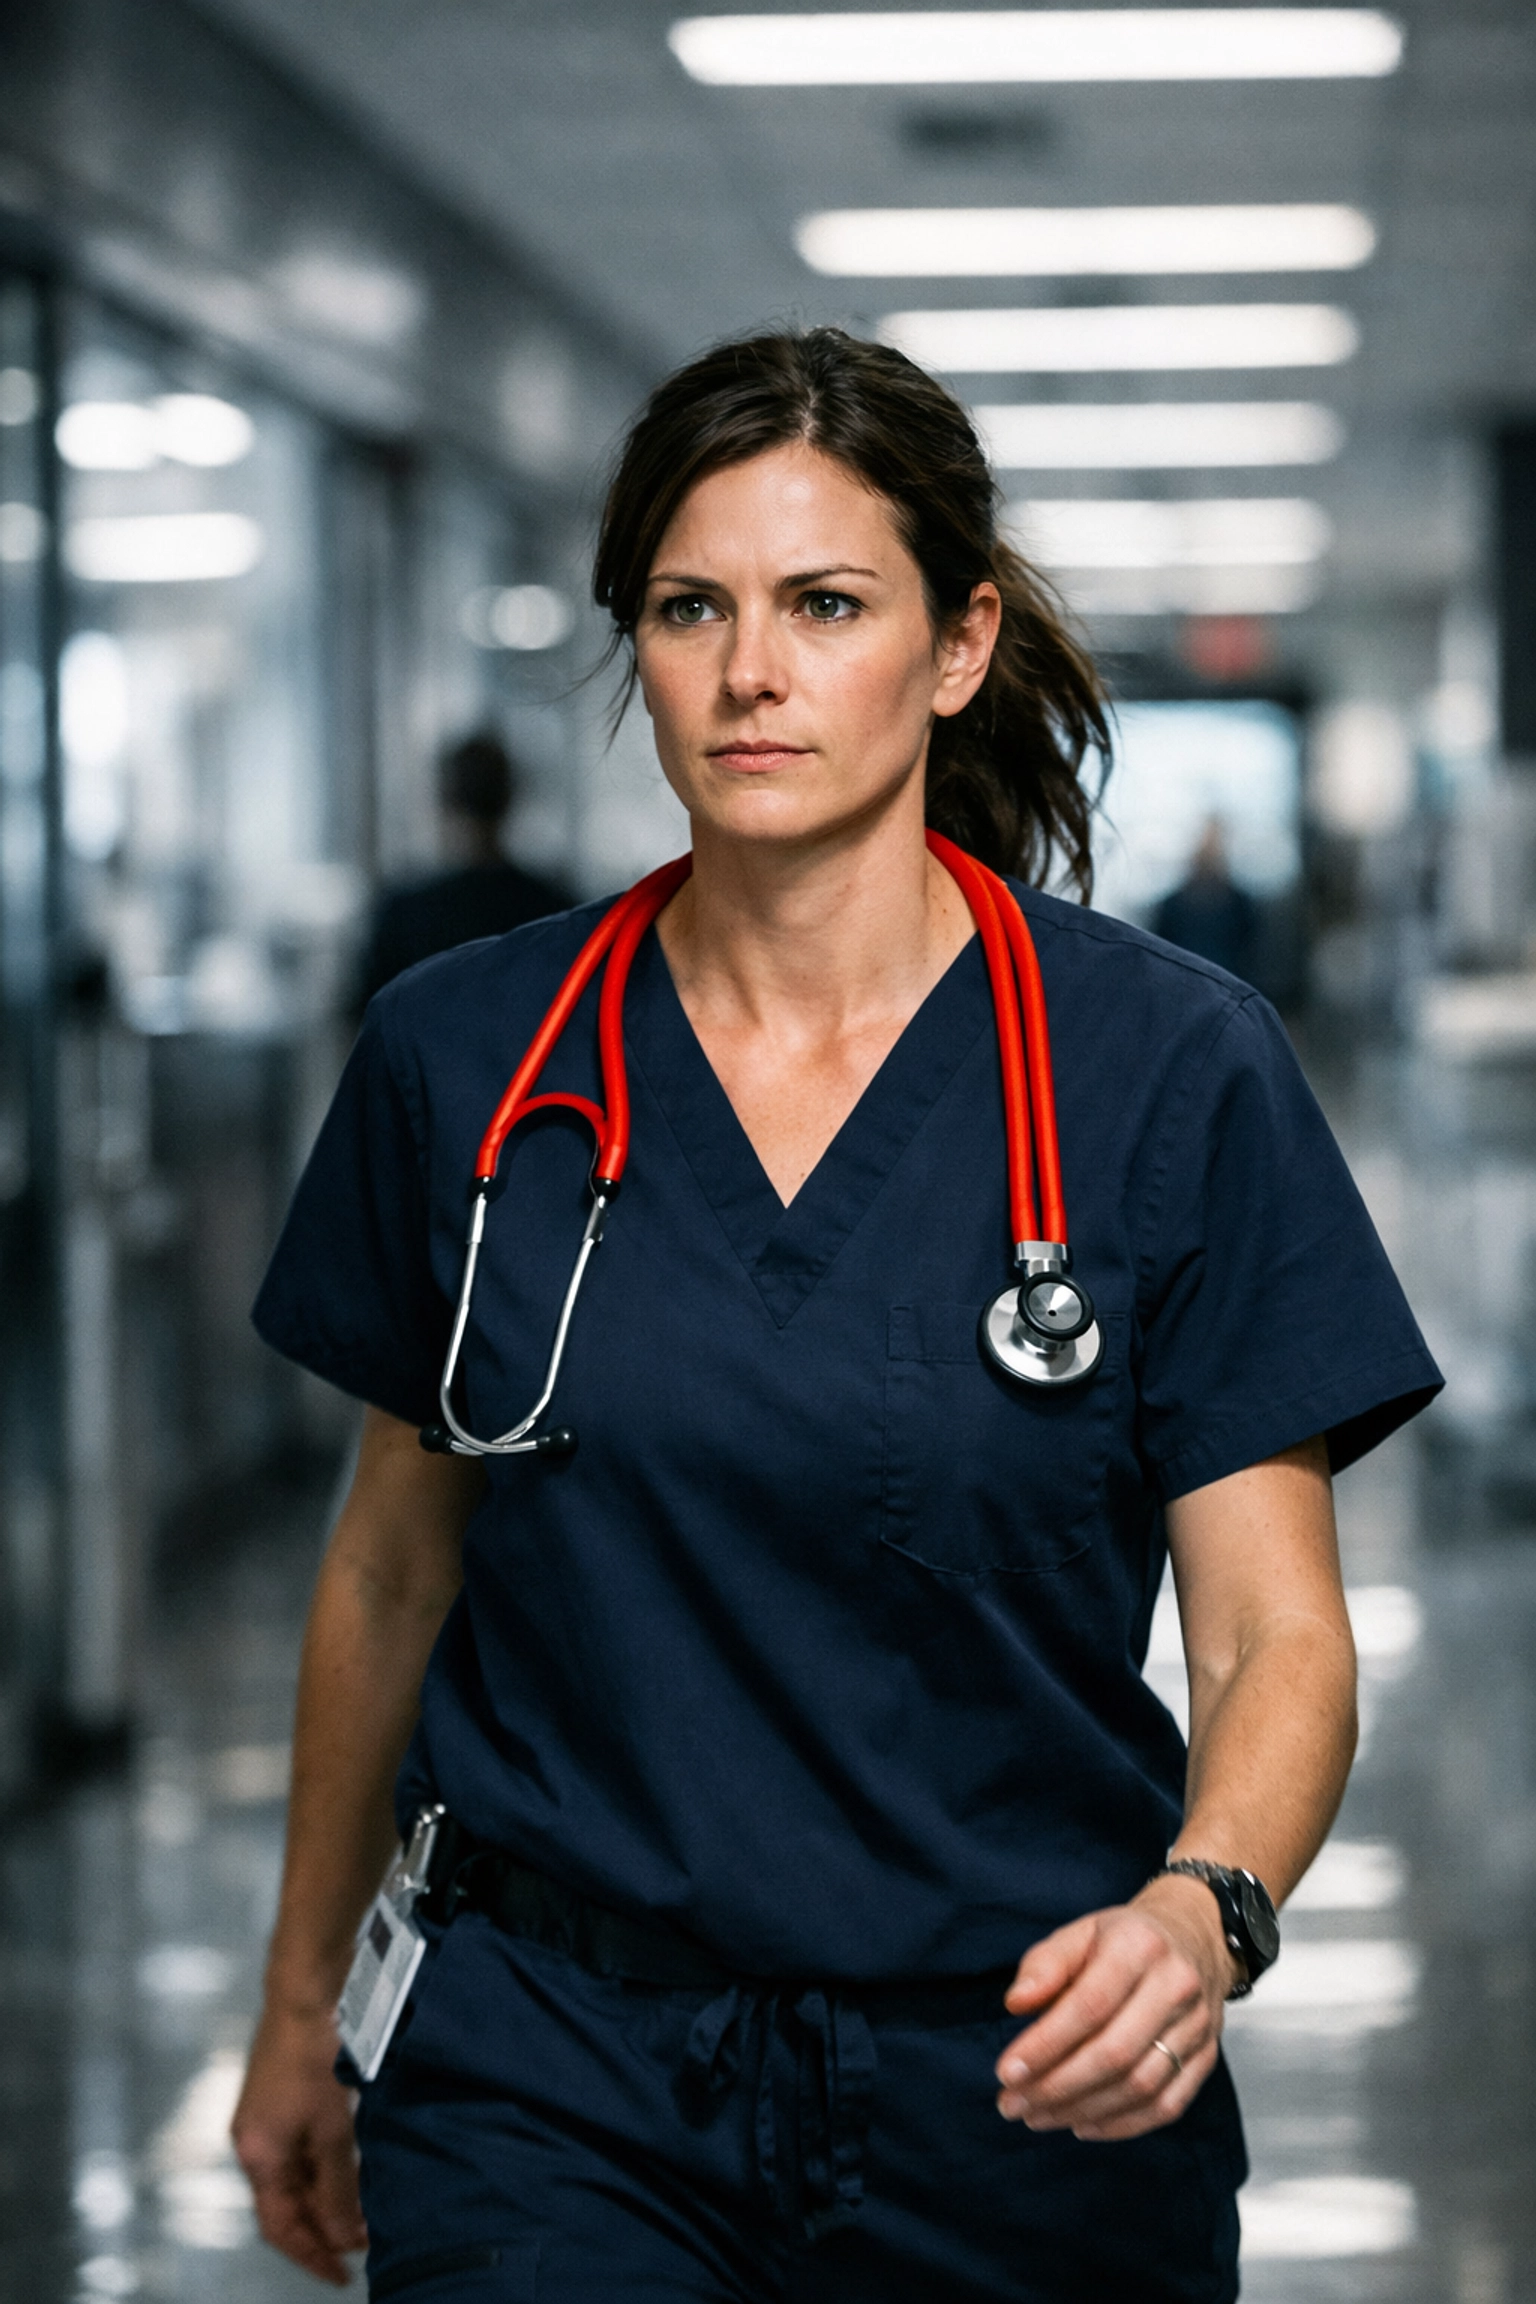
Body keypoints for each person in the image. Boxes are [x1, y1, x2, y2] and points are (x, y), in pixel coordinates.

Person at [233, 329, 1441, 2302]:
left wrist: (1205, 1908)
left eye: (825, 604)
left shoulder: (1164, 1076)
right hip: (551, 2069)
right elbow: (387, 1572)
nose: (750, 671)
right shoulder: (471, 1060)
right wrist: (302, 2003)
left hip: (1023, 2072)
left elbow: (1272, 1621)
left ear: (956, 647)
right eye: (689, 608)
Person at [355, 730, 570, 1008]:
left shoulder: (404, 915)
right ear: (510, 797)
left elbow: (364, 1024)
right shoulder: (554, 909)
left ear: (446, 797)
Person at [1152, 816, 1260, 984]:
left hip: (1228, 983)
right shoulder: (1173, 903)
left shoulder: (1238, 902)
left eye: (1216, 845)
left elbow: (1249, 947)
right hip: (1182, 983)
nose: (1211, 851)